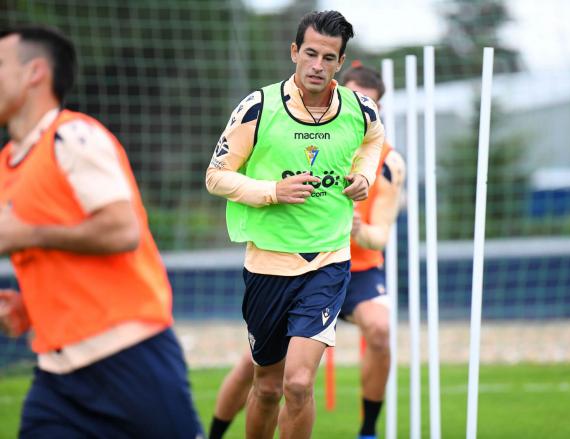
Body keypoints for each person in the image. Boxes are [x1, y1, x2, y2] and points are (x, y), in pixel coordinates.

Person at [0, 26, 203, 438]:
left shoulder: (72, 136)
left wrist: (28, 234)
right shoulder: (9, 162)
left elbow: (121, 229)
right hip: (58, 375)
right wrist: (29, 306)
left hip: (131, 359)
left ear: (34, 72)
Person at [205, 10, 384, 439]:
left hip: (327, 261)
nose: (317, 65)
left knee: (299, 384)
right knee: (266, 388)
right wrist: (272, 191)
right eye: (310, 54)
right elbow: (215, 176)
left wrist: (363, 176)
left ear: (340, 62)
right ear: (294, 52)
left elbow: (373, 142)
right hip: (267, 265)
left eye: (328, 57)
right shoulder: (257, 107)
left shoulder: (361, 110)